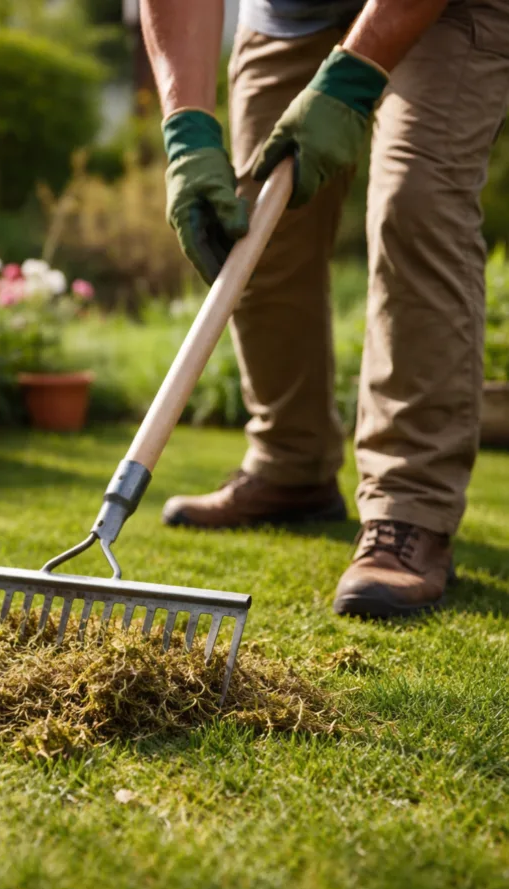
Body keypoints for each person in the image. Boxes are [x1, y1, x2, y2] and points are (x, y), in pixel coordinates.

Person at [139, 0, 509, 618]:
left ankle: (408, 508)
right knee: (254, 222)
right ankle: (290, 465)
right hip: (289, 14)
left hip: (448, 11)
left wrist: (354, 75)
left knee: (415, 206)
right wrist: (185, 132)